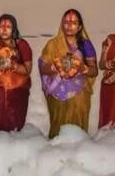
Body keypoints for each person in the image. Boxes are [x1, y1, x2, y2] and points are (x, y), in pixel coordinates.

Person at [39, 9, 98, 137]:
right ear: (62, 24)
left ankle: (78, 148)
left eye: (74, 22)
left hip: (79, 93)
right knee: (59, 127)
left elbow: (94, 71)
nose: (69, 25)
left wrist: (83, 69)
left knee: (77, 128)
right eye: (66, 22)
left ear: (80, 26)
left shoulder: (85, 45)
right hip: (57, 92)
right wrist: (56, 67)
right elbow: (42, 68)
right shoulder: (52, 45)